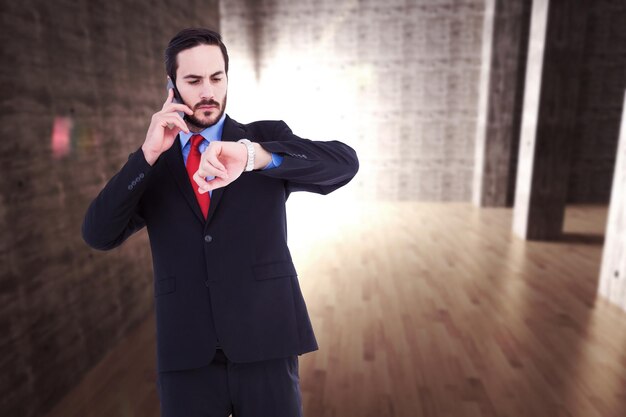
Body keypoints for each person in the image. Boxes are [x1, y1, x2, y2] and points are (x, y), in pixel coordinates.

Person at [81, 27, 359, 417]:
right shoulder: (154, 165)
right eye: (193, 80)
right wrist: (145, 155)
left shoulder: (263, 140)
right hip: (186, 355)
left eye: (216, 77)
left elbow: (344, 164)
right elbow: (98, 234)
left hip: (266, 341)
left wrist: (254, 157)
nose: (207, 91)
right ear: (171, 86)